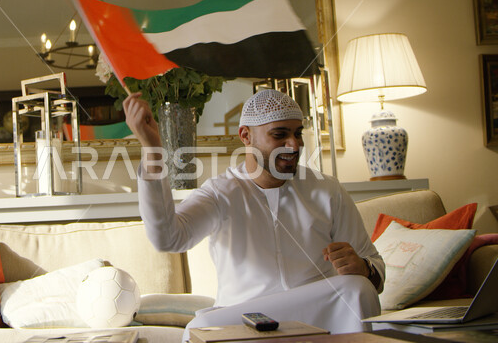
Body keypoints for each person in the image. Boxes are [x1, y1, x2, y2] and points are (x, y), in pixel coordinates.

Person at [122, 89, 385, 341]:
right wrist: (152, 149)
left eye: (297, 133)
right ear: (245, 135)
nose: (294, 145)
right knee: (199, 328)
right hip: (245, 317)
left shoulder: (327, 190)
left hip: (315, 312)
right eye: (280, 135)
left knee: (358, 288)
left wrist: (363, 267)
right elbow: (167, 239)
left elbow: (375, 269)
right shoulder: (219, 192)